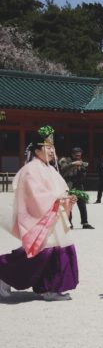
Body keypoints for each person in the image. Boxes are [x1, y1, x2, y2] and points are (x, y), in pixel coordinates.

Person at [0, 126, 79, 301]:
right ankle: (4, 273)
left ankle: (49, 288)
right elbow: (34, 195)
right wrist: (58, 198)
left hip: (54, 217)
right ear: (37, 150)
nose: (52, 151)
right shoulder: (31, 169)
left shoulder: (50, 169)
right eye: (48, 147)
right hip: (41, 218)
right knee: (40, 254)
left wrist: (68, 200)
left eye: (53, 147)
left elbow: (61, 190)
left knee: (59, 252)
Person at [59, 146, 92, 229]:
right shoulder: (65, 160)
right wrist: (72, 164)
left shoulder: (81, 162)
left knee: (82, 204)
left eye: (79, 155)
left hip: (79, 185)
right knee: (69, 204)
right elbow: (62, 170)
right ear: (72, 154)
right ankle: (69, 223)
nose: (78, 157)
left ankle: (85, 223)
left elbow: (84, 175)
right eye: (76, 155)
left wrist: (81, 169)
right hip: (69, 185)